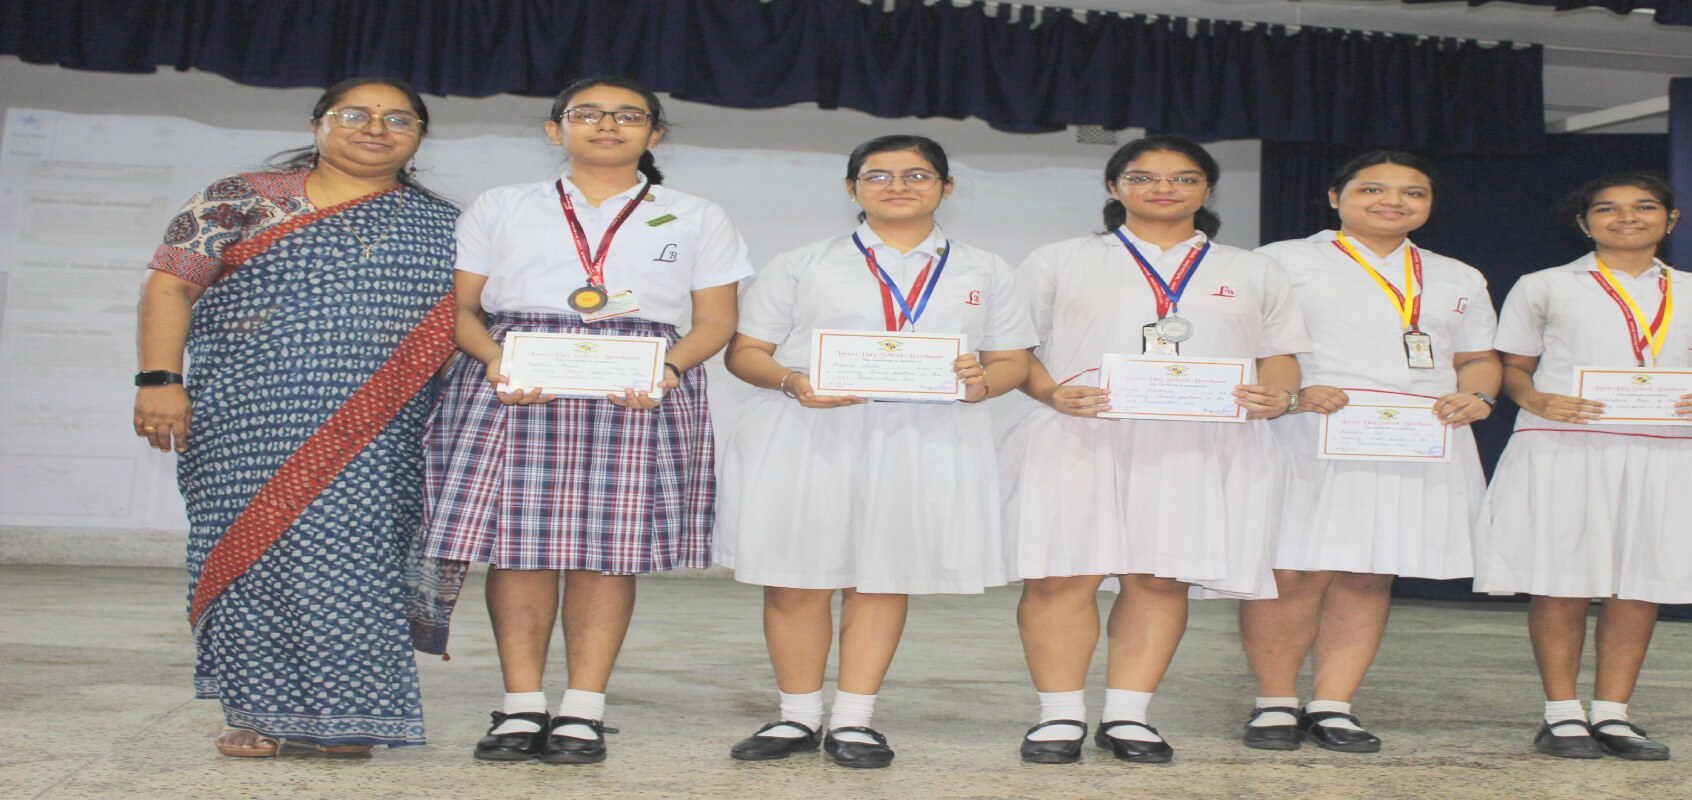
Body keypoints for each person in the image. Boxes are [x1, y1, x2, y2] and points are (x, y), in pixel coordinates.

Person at [418, 75, 751, 765]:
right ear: (554, 129)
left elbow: (717, 321)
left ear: (654, 134)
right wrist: (496, 361)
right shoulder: (502, 205)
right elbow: (460, 311)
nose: (609, 124)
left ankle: (583, 711)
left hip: (640, 385)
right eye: (588, 114)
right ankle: (520, 708)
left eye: (630, 115)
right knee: (518, 548)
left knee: (608, 553)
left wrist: (665, 369)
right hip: (515, 379)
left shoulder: (694, 214)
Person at [133, 77, 460, 758]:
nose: (377, 127)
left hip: (380, 431)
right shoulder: (238, 199)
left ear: (419, 137)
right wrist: (160, 380)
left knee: (354, 562)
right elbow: (170, 284)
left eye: (399, 118)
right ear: (318, 125)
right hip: (242, 419)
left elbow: (472, 322)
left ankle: (350, 719)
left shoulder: (444, 226)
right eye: (356, 114)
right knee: (250, 559)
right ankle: (256, 713)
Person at [715, 134, 1036, 769]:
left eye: (918, 175)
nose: (898, 186)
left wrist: (982, 385)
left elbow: (1012, 361)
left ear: (946, 188)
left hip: (925, 438)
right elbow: (744, 352)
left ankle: (855, 721)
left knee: (883, 577)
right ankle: (797, 717)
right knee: (795, 579)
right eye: (878, 175)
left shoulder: (985, 268)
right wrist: (792, 381)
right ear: (852, 188)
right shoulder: (804, 262)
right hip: (808, 433)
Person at [998, 135, 1310, 764]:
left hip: (1199, 440)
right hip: (1081, 431)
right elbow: (1013, 350)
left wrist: (1278, 395)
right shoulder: (1061, 259)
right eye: (1143, 177)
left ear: (1206, 189)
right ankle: (1058, 717)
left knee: (1160, 578)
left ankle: (1128, 716)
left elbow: (1280, 357)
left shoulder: (1252, 269)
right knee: (1062, 576)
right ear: (1115, 188)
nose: (1163, 188)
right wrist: (1052, 393)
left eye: (1183, 178)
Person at [1476, 172, 1692, 761]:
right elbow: (1511, 367)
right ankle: (1561, 715)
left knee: (1640, 581)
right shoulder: (1545, 286)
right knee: (1561, 580)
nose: (1626, 217)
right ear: (1585, 223)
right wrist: (1536, 400)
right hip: (1566, 445)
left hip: (1666, 448)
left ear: (1671, 219)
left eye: (1644, 207)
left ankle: (1613, 713)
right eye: (1607, 209)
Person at [1233, 151, 1499, 753]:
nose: (1394, 202)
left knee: (1369, 573)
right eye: (1372, 189)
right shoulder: (1282, 260)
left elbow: (1477, 356)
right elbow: (1242, 339)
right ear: (1334, 197)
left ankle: (1334, 705)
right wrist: (1292, 393)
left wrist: (1479, 395)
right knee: (1293, 571)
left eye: (1413, 193)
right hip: (1310, 431)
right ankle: (1274, 702)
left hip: (1416, 437)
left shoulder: (1457, 274)